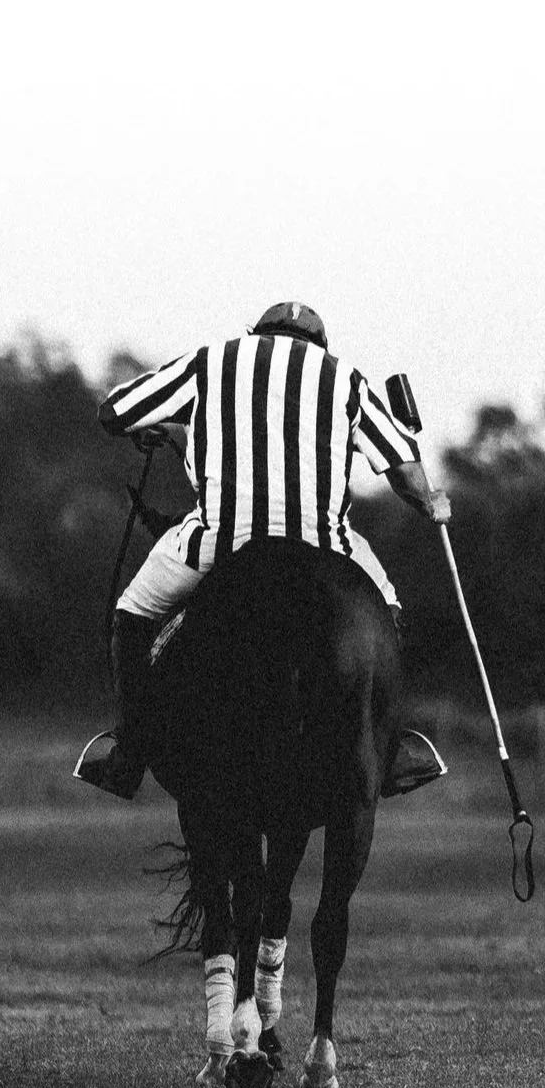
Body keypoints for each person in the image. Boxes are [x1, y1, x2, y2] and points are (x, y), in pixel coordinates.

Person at [76, 301, 452, 799]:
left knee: (133, 610)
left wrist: (156, 427)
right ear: (318, 347)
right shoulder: (346, 380)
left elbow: (114, 411)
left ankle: (128, 752)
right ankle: (391, 750)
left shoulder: (210, 362)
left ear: (257, 335)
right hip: (327, 545)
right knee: (386, 611)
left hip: (222, 539)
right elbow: (403, 468)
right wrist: (430, 503)